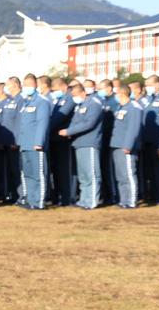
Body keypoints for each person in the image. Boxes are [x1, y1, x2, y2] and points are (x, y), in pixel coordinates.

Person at [58, 83, 104, 210]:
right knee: (83, 175)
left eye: (75, 95)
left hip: (90, 142)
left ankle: (92, 201)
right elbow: (76, 121)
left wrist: (69, 131)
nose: (74, 98)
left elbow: (89, 123)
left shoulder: (94, 103)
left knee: (92, 173)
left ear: (82, 93)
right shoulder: (81, 105)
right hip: (79, 143)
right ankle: (84, 200)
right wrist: (69, 131)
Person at [16, 75, 51, 210]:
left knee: (38, 174)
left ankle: (39, 201)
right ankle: (31, 200)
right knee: (28, 173)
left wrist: (39, 142)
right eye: (25, 85)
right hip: (25, 143)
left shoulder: (42, 101)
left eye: (28, 85)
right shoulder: (27, 102)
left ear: (35, 85)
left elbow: (42, 123)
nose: (26, 87)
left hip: (36, 144)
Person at [110, 85, 143, 209]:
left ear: (122, 94)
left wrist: (128, 145)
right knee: (121, 175)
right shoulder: (121, 107)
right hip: (117, 144)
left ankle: (131, 200)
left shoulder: (134, 107)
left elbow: (133, 129)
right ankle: (124, 200)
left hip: (125, 146)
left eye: (116, 93)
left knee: (128, 174)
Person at [47, 78, 76, 206]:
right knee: (55, 170)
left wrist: (45, 126)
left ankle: (66, 198)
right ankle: (56, 196)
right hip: (54, 138)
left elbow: (60, 116)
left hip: (63, 140)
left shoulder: (69, 98)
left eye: (55, 90)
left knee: (64, 170)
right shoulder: (58, 99)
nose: (54, 92)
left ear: (63, 87)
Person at [140, 76, 159, 205]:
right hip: (145, 140)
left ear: (158, 84)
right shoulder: (146, 99)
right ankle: (148, 194)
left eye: (149, 84)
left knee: (158, 170)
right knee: (147, 170)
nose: (147, 87)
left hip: (157, 140)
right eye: (146, 85)